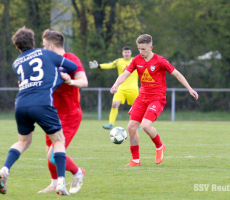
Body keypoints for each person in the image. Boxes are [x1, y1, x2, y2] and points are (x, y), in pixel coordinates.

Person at [0, 26, 78, 195]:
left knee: (23, 142)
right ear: (33, 42)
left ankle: (5, 169)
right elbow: (72, 67)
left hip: (20, 104)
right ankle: (61, 184)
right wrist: (62, 76)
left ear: (17, 47)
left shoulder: (16, 63)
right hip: (42, 103)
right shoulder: (47, 54)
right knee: (58, 141)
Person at [110, 34, 199, 166]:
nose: (141, 52)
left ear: (151, 47)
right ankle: (136, 160)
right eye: (139, 49)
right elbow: (125, 74)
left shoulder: (160, 61)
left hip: (157, 99)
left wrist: (190, 88)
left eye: (144, 49)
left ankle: (159, 146)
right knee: (131, 127)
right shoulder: (136, 61)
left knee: (145, 126)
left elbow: (177, 74)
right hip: (142, 98)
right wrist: (116, 84)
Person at [37, 29, 88, 194]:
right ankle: (54, 184)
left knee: (54, 154)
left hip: (70, 115)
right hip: (51, 114)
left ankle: (78, 173)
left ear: (51, 45)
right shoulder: (47, 61)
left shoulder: (71, 59)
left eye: (44, 45)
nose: (43, 48)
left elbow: (84, 82)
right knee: (49, 153)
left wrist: (70, 81)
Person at [89, 46, 140, 130]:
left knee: (137, 107)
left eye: (128, 52)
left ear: (130, 53)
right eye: (125, 52)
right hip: (121, 88)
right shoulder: (119, 61)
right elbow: (109, 65)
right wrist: (98, 66)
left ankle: (139, 125)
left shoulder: (135, 60)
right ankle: (110, 124)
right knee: (114, 104)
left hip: (133, 88)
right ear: (122, 53)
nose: (127, 54)